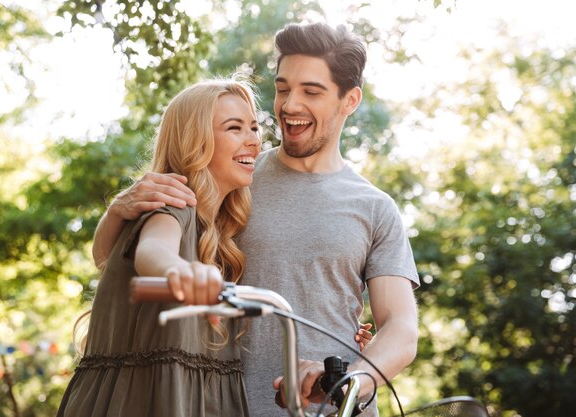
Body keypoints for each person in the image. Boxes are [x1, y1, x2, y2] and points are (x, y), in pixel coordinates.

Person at [93, 23, 419, 417]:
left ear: (349, 100)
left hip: (333, 409)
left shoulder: (375, 207)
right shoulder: (230, 174)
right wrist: (118, 212)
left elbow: (400, 328)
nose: (290, 105)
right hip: (228, 404)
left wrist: (352, 379)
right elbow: (121, 258)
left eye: (311, 91)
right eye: (283, 89)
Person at [57, 78, 262, 417]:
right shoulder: (173, 204)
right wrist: (182, 271)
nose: (253, 140)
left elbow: (104, 257)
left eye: (253, 128)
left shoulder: (218, 233)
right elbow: (153, 251)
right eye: (234, 128)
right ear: (196, 141)